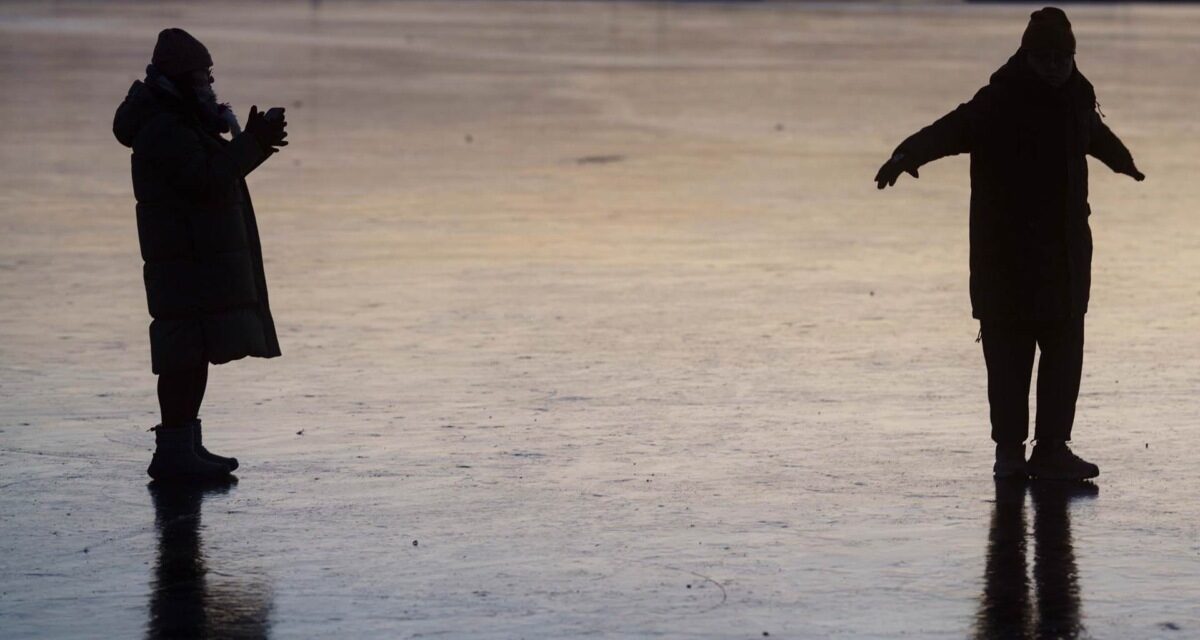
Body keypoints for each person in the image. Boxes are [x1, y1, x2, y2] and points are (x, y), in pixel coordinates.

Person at [874, 8, 1143, 480]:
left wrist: (1122, 161)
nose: (1055, 64)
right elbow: (948, 130)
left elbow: (1096, 137)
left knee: (1063, 358)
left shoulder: (1077, 99)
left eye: (1063, 56)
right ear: (1026, 54)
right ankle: (1009, 454)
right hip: (1007, 262)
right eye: (1045, 55)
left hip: (1064, 260)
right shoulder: (998, 102)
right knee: (1009, 362)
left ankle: (1053, 448)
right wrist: (906, 154)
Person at [113, 28, 290, 482]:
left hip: (192, 259)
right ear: (179, 79)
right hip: (181, 263)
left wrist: (253, 142)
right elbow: (204, 178)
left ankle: (184, 445)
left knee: (193, 355)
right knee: (183, 359)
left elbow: (210, 172)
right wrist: (252, 143)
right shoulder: (162, 126)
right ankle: (173, 451)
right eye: (202, 77)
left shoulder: (177, 119)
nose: (210, 85)